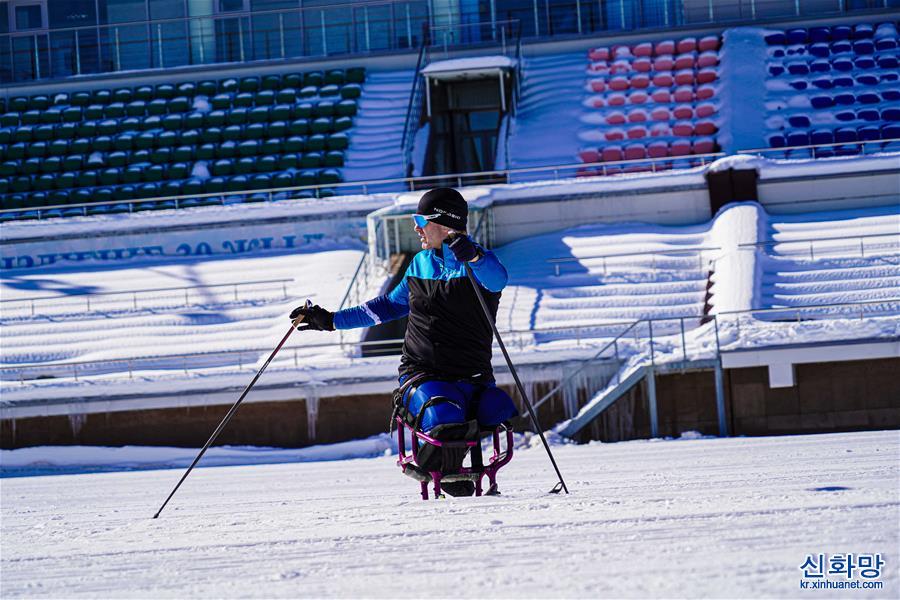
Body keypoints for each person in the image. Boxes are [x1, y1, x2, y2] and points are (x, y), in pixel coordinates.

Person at [289, 187, 519, 496]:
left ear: (444, 223)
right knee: (444, 414)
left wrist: (474, 255)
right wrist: (330, 320)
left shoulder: (478, 265)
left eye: (420, 219)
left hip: (473, 377)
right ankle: (442, 471)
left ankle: (443, 466)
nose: (416, 227)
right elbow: (387, 307)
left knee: (497, 409)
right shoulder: (420, 264)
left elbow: (497, 279)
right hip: (424, 373)